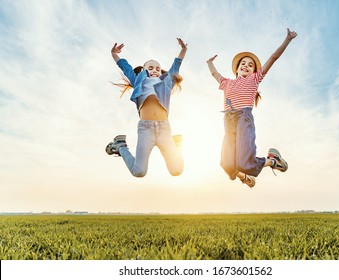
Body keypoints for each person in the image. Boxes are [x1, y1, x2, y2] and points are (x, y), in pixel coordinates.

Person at [207, 28, 297, 188]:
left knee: (245, 163)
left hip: (244, 118)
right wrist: (209, 63)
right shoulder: (226, 83)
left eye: (250, 65)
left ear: (254, 71)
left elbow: (273, 58)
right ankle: (246, 178)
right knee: (226, 164)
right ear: (236, 69)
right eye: (243, 64)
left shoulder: (254, 80)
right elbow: (215, 74)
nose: (246, 66)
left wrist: (287, 39)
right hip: (228, 120)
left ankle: (273, 161)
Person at [106, 38, 187, 177]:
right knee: (139, 171)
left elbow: (176, 67)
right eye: (150, 68)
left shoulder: (167, 82)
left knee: (177, 170)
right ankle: (120, 146)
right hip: (146, 129)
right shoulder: (138, 80)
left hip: (164, 129)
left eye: (157, 68)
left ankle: (175, 145)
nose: (154, 70)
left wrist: (183, 50)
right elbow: (126, 69)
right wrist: (115, 55)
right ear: (143, 71)